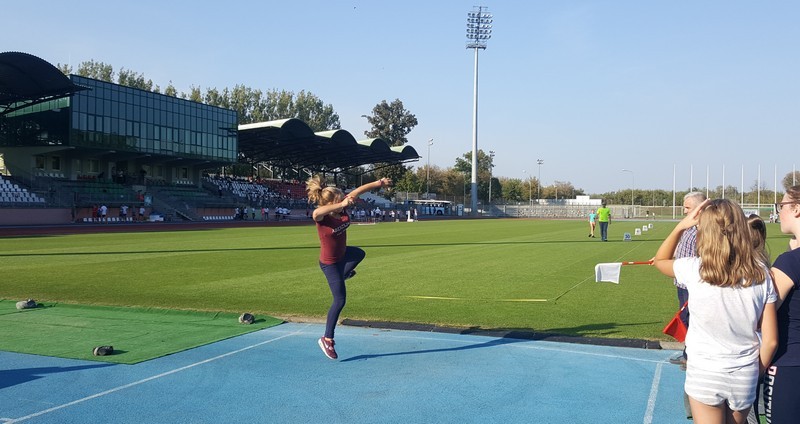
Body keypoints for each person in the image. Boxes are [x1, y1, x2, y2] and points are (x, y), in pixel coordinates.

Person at [653, 199, 777, 424]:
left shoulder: (695, 269)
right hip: (744, 372)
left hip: (704, 371)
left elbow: (660, 260)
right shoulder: (762, 274)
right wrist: (752, 372)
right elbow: (770, 342)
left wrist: (681, 226)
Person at [306, 175, 392, 360]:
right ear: (333, 202)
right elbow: (315, 214)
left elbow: (359, 190)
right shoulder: (322, 217)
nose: (345, 198)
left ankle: (344, 275)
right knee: (340, 300)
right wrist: (340, 204)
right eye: (340, 198)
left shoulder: (342, 208)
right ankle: (327, 338)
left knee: (359, 253)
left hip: (343, 255)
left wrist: (379, 183)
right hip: (330, 264)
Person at [764, 185, 800, 423]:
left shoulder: (789, 263)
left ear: (797, 209)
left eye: (782, 206)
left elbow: (760, 313)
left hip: (790, 363)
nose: (779, 212)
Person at [669, 192, 708, 368]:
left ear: (700, 209)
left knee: (692, 320)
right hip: (681, 283)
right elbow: (680, 249)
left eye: (688, 207)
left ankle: (691, 356)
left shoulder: (704, 232)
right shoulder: (689, 228)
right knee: (685, 318)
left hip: (692, 286)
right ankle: (688, 353)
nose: (684, 211)